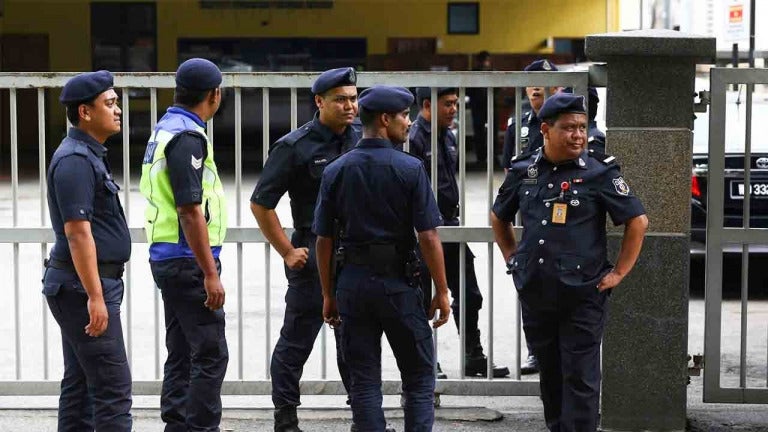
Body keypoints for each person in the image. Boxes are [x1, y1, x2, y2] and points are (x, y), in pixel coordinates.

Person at [491, 92, 648, 431]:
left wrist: (619, 272)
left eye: (581, 127)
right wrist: (513, 259)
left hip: (583, 293)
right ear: (546, 129)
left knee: (580, 376)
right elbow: (498, 217)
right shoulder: (524, 170)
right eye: (569, 128)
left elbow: (638, 221)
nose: (578, 135)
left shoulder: (599, 171)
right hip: (536, 290)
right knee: (550, 372)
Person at [313, 85, 452, 432]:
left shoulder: (336, 170)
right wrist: (442, 290)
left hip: (353, 284)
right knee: (419, 377)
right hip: (399, 284)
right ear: (386, 120)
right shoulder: (410, 168)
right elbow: (429, 236)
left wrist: (329, 294)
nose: (409, 123)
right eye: (404, 116)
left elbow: (324, 240)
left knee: (364, 381)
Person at [250, 67, 366, 432]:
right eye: (340, 100)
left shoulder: (363, 137)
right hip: (314, 254)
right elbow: (261, 203)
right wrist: (287, 250)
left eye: (353, 98)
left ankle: (364, 418)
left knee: (355, 340)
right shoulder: (294, 146)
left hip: (356, 254)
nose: (350, 106)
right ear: (319, 102)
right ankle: (285, 418)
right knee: (296, 341)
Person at [139, 58, 229, 432]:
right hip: (187, 260)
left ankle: (177, 424)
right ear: (214, 95)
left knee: (181, 351)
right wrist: (210, 272)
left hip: (170, 256)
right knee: (210, 353)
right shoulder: (188, 136)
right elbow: (190, 210)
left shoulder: (165, 129)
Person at [43, 70, 133, 431]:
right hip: (83, 288)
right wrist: (95, 296)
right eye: (109, 104)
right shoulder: (76, 160)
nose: (118, 110)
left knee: (81, 386)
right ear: (85, 112)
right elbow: (78, 233)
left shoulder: (88, 154)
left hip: (86, 285)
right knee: (112, 389)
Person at [408, 87, 509, 379]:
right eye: (448, 104)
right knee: (422, 297)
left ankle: (472, 356)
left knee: (470, 294)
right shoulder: (414, 138)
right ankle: (426, 361)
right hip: (423, 230)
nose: (454, 109)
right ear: (427, 105)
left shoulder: (448, 135)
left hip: (451, 226)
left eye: (455, 103)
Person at [502, 59, 562, 171]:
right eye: (532, 82)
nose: (536, 87)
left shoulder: (565, 124)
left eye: (542, 82)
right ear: (526, 89)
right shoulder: (516, 125)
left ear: (556, 88)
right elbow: (508, 168)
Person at [466, 50, 494, 169]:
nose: (485, 63)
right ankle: (481, 157)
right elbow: (468, 90)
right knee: (480, 133)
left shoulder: (492, 73)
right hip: (479, 106)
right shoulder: (474, 74)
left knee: (491, 132)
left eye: (486, 60)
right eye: (484, 60)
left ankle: (491, 157)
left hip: (489, 105)